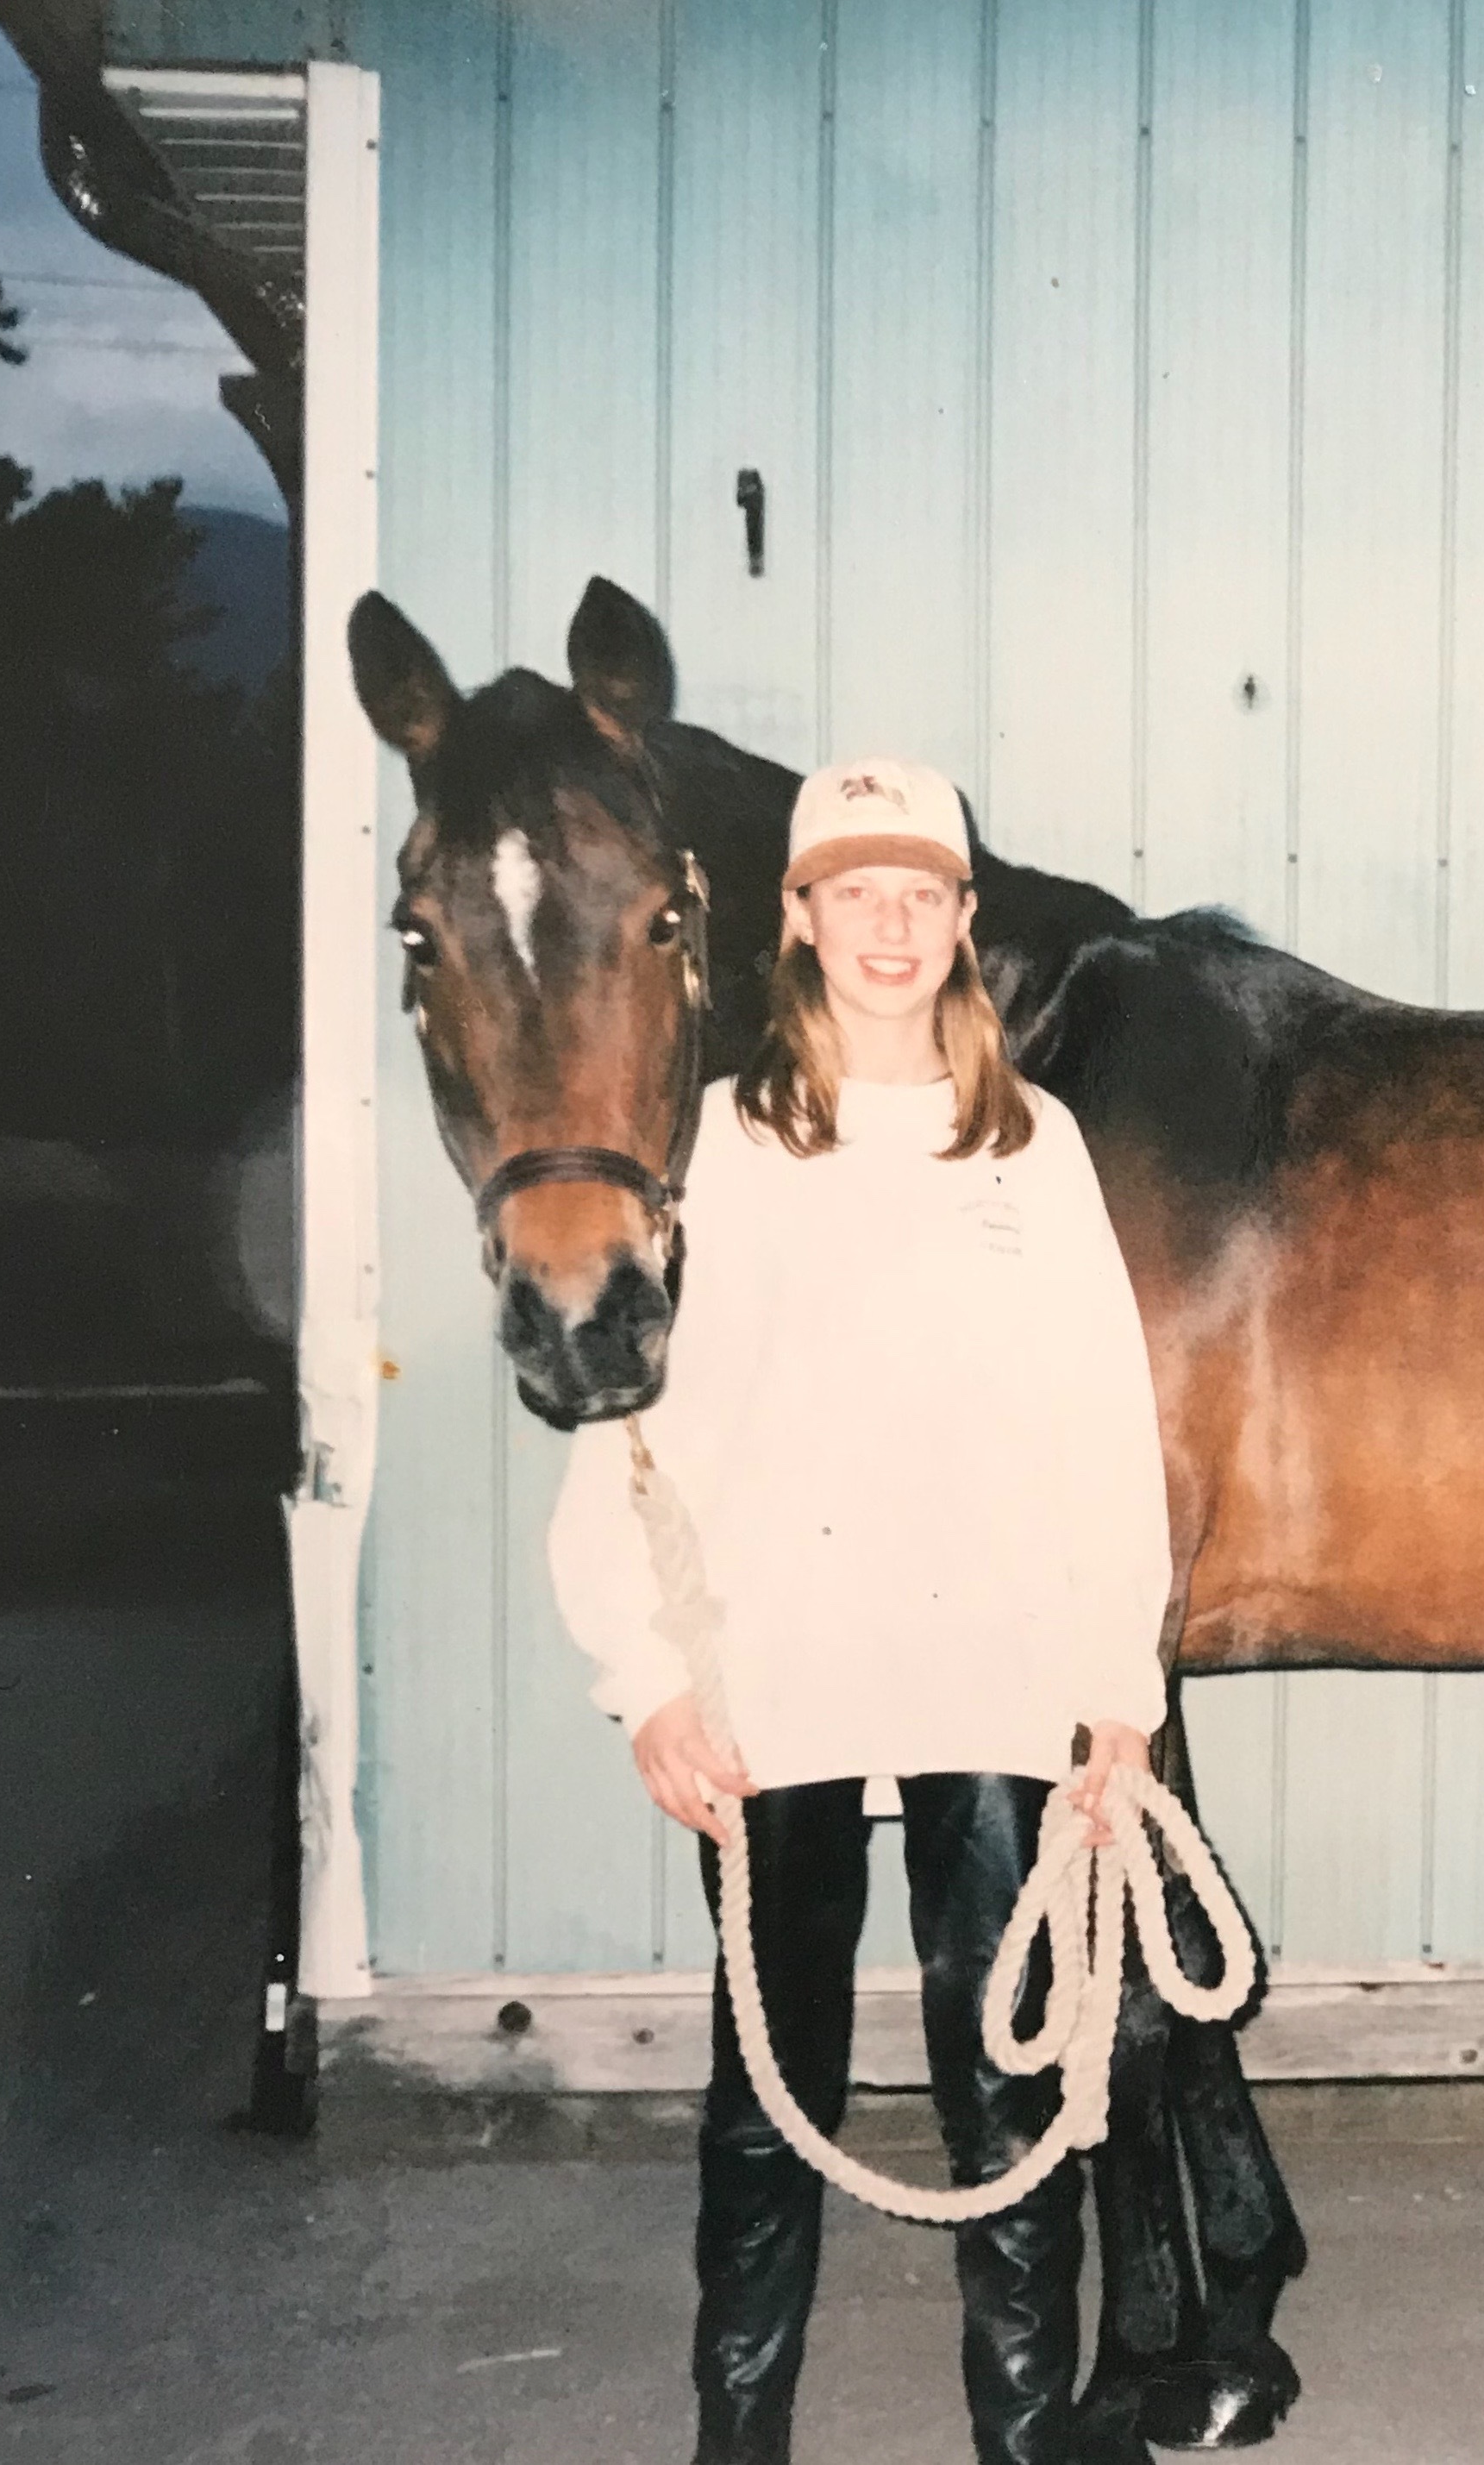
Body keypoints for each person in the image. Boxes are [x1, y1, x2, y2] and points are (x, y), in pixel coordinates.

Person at [548, 756, 1171, 2465]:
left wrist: (1117, 1690)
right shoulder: (722, 1141)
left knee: (1009, 2091)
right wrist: (647, 1674)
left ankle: (1022, 2438)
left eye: (923, 895)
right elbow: (635, 1426)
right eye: (856, 892)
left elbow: (1104, 1423)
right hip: (777, 1679)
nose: (890, 927)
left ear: (964, 923)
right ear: (800, 917)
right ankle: (733, 2437)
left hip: (996, 1673)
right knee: (770, 2093)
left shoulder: (1029, 1145)